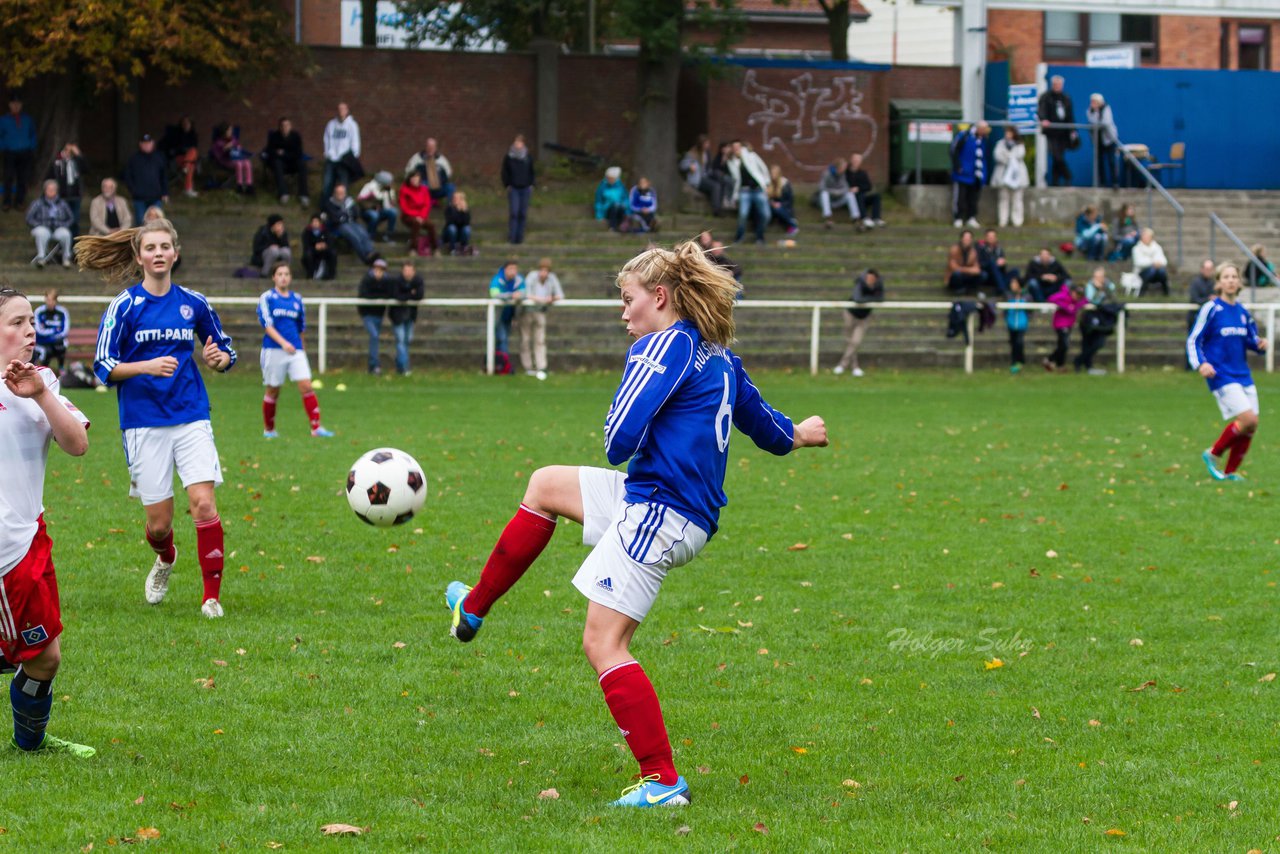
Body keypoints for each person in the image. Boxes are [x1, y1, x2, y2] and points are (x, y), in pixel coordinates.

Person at [442, 241, 829, 808]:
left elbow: (618, 441)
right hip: (663, 500)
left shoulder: (664, 344)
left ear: (661, 297)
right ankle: (472, 608)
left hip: (660, 511)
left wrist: (638, 379)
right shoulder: (718, 355)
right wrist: (801, 432)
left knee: (604, 641)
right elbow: (768, 431)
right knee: (545, 485)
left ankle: (663, 781)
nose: (623, 314)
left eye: (628, 301)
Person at [80, 218, 236, 619]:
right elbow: (101, 364)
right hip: (143, 421)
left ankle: (210, 597)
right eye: (150, 248)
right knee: (160, 525)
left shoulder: (195, 303)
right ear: (139, 257)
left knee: (203, 503)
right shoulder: (125, 306)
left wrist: (220, 360)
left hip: (190, 416)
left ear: (175, 253)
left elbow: (222, 349)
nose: (158, 253)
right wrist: (145, 366)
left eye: (165, 246)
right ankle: (165, 558)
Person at [0, 285, 94, 757]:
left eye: (31, 320)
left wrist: (38, 394)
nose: (29, 329)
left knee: (44, 658)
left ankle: (30, 744)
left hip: (28, 542)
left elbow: (77, 444)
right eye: (16, 321)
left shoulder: (44, 381)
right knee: (41, 655)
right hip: (3, 553)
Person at [1190, 262, 1266, 481]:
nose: (1231, 280)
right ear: (1218, 282)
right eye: (1226, 277)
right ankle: (1213, 454)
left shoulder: (1243, 312)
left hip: (1243, 373)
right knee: (1248, 419)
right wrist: (1201, 363)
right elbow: (1194, 339)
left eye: (1234, 276)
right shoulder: (1211, 309)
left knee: (1251, 426)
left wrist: (1260, 344)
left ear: (1240, 282)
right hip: (1220, 374)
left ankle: (1230, 473)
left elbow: (1251, 340)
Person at [257, 262, 333, 439]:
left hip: (296, 350)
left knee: (306, 386)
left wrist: (302, 347)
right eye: (280, 274)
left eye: (286, 274)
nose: (283, 277)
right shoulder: (267, 298)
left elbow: (301, 327)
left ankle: (316, 428)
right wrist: (283, 343)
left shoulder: (297, 299)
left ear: (290, 278)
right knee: (273, 389)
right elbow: (267, 325)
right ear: (274, 277)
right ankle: (269, 430)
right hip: (274, 349)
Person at [833, 268, 884, 377]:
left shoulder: (878, 286)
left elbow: (881, 298)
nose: (870, 280)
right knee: (850, 341)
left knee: (855, 342)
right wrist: (872, 298)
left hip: (864, 317)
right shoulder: (860, 283)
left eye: (872, 278)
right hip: (850, 314)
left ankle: (842, 365)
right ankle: (854, 367)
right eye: (868, 277)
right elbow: (857, 299)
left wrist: (869, 299)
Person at [520, 257, 563, 380]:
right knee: (525, 339)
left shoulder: (552, 278)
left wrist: (551, 298)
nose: (544, 273)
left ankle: (541, 367)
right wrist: (540, 299)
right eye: (542, 270)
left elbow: (560, 294)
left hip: (540, 312)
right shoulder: (531, 277)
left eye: (546, 271)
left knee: (540, 340)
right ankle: (528, 367)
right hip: (527, 311)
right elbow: (526, 294)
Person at [321, 183, 376, 264]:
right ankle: (365, 257)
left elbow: (356, 213)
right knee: (354, 236)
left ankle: (370, 252)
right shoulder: (330, 203)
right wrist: (346, 214)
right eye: (338, 193)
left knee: (363, 233)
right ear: (335, 193)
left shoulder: (349, 201)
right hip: (338, 226)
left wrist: (343, 214)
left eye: (342, 193)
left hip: (351, 223)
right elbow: (335, 218)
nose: (341, 195)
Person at [728, 140, 770, 245]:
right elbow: (735, 178)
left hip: (758, 189)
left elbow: (763, 168)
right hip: (744, 191)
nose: (737, 149)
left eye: (738, 147)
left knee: (766, 214)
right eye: (734, 147)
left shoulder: (751, 155)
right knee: (743, 214)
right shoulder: (732, 161)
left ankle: (759, 236)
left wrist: (767, 183)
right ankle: (739, 237)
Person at [949, 121, 989, 229]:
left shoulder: (983, 139)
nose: (984, 132)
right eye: (983, 129)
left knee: (973, 197)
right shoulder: (964, 135)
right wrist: (958, 166)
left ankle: (971, 217)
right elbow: (953, 149)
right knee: (960, 196)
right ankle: (958, 217)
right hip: (963, 173)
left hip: (977, 173)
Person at [0, 95, 37, 212]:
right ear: (10, 105)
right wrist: (4, 147)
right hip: (10, 153)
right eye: (13, 104)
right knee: (8, 177)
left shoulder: (27, 119)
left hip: (25, 153)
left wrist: (31, 146)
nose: (16, 106)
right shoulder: (4, 120)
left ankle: (19, 201)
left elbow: (32, 134)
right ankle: (7, 202)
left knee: (23, 178)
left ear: (21, 105)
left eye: (18, 104)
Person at [26, 180, 74, 268]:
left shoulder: (63, 204)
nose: (51, 191)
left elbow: (70, 218)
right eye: (49, 189)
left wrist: (65, 225)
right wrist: (37, 224)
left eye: (53, 189)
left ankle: (66, 258)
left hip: (58, 228)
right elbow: (29, 218)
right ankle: (41, 258)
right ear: (45, 190)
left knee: (66, 233)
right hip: (42, 227)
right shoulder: (37, 203)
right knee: (41, 232)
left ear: (57, 191)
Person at [123, 134, 168, 226]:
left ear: (152, 143)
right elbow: (127, 176)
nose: (147, 145)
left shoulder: (159, 158)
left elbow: (164, 176)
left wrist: (165, 192)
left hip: (156, 197)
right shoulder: (134, 159)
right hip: (139, 198)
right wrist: (133, 190)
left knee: (157, 223)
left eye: (149, 143)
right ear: (140, 144)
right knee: (140, 223)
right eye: (144, 143)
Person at [1038, 75, 1075, 186]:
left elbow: (1070, 115)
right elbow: (1041, 110)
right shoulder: (1046, 97)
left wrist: (1072, 130)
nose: (1057, 86)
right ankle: (1068, 175)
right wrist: (1043, 120)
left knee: (1059, 157)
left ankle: (1055, 181)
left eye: (1059, 84)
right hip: (1051, 132)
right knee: (1055, 156)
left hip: (1063, 132)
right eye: (1055, 84)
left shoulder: (1066, 98)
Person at [263, 117, 309, 205]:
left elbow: (298, 153)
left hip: (293, 163)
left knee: (302, 164)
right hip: (280, 164)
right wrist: (279, 153)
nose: (285, 127)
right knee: (277, 163)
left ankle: (303, 194)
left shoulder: (296, 136)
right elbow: (269, 150)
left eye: (287, 125)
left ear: (290, 126)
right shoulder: (274, 136)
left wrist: (284, 154)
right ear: (279, 127)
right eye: (283, 126)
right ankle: (283, 194)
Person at [357, 258, 391, 375]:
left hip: (379, 314)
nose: (378, 272)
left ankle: (372, 366)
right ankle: (375, 365)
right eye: (376, 269)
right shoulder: (367, 280)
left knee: (374, 338)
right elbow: (364, 294)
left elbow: (388, 294)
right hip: (367, 314)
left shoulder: (387, 281)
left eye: (381, 270)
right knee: (374, 336)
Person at [390, 260, 425, 376]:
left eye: (410, 270)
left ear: (414, 271)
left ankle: (400, 366)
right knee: (401, 341)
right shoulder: (397, 281)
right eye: (406, 270)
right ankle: (405, 367)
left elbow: (419, 295)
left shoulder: (418, 280)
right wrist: (411, 293)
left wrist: (407, 294)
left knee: (407, 340)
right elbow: (397, 296)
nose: (408, 273)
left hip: (410, 316)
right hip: (397, 316)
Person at [45, 143, 86, 239]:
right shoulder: (57, 163)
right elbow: (50, 178)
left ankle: (74, 244)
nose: (68, 152)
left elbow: (86, 168)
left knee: (75, 220)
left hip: (75, 196)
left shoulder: (77, 161)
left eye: (70, 151)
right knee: (63, 221)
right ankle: (62, 245)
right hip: (62, 197)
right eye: (66, 150)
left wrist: (78, 154)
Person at [322, 102, 361, 201]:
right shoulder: (331, 124)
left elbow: (355, 142)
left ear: (347, 111)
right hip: (331, 159)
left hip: (344, 160)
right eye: (339, 109)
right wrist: (327, 153)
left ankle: (343, 208)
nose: (341, 112)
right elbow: (326, 139)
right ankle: (325, 206)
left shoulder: (352, 125)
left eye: (343, 109)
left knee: (343, 185)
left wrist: (353, 157)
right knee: (327, 183)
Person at [1045, 281, 1087, 371]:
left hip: (1069, 324)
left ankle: (1056, 363)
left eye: (1080, 295)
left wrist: (1074, 307)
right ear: (1072, 291)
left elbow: (1085, 301)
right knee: (1064, 344)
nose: (1077, 296)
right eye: (1076, 293)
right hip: (1060, 323)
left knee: (1062, 345)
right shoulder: (1063, 295)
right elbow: (1051, 298)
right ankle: (1053, 361)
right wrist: (1066, 306)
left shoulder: (1077, 301)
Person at [680, 135, 727, 215]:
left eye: (708, 143)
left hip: (706, 176)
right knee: (716, 186)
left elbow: (709, 168)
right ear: (700, 144)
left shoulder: (707, 153)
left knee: (721, 179)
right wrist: (689, 166)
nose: (707, 145)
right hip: (697, 179)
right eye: (706, 144)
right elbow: (682, 165)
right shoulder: (692, 154)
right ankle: (716, 210)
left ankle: (721, 205)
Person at [502, 134, 535, 245]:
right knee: (514, 212)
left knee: (522, 213)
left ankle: (520, 237)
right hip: (514, 188)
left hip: (525, 188)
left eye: (520, 142)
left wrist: (531, 184)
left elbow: (532, 171)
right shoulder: (509, 157)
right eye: (516, 142)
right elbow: (505, 172)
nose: (518, 144)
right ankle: (512, 237)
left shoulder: (528, 157)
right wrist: (507, 184)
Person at [992, 126, 1028, 228]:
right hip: (1003, 175)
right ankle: (1003, 221)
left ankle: (1017, 221)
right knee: (1003, 199)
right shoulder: (1000, 143)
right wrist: (1009, 158)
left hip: (1017, 176)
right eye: (1006, 133)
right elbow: (997, 156)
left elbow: (1020, 155)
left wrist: (1008, 156)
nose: (1007, 135)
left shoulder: (1020, 145)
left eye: (1010, 133)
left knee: (1017, 199)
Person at [489, 261, 525, 361]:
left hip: (510, 315)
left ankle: (498, 362)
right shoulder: (497, 279)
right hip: (499, 315)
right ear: (505, 269)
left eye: (515, 269)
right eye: (510, 269)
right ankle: (504, 364)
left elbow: (524, 292)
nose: (513, 271)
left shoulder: (519, 279)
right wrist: (511, 295)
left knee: (503, 339)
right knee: (502, 338)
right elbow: (494, 294)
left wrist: (519, 295)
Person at [159, 116, 200, 198]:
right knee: (191, 165)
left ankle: (186, 166)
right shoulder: (176, 135)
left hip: (189, 158)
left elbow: (194, 147)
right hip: (179, 158)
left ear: (191, 124)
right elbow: (173, 149)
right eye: (184, 123)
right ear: (181, 125)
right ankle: (188, 190)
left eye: (188, 123)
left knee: (193, 152)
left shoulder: (193, 135)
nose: (186, 125)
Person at [403, 137, 453, 204]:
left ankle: (451, 206)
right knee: (423, 185)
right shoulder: (417, 158)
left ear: (436, 148)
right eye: (429, 147)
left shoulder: (441, 159)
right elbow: (408, 172)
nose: (431, 149)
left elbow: (449, 173)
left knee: (451, 187)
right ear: (426, 147)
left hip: (439, 187)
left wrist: (441, 181)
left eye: (433, 147)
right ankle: (423, 203)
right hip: (423, 186)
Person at [398, 171, 435, 256]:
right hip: (408, 216)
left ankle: (435, 247)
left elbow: (427, 204)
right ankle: (413, 248)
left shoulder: (424, 189)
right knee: (416, 223)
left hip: (422, 216)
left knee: (431, 225)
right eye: (413, 178)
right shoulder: (404, 189)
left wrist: (421, 216)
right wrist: (416, 216)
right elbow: (404, 207)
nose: (415, 180)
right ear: (409, 179)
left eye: (416, 178)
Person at [1086, 93, 1119, 189]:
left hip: (1109, 139)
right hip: (1098, 140)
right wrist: (1095, 112)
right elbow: (1090, 120)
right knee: (1099, 162)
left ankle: (1115, 182)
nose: (1093, 103)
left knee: (1111, 161)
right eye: (1092, 102)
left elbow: (1106, 122)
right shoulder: (1090, 111)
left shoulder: (1106, 108)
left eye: (1095, 102)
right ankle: (1102, 182)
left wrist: (1097, 122)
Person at [33, 289, 70, 373]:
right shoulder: (39, 312)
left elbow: (64, 331)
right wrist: (54, 330)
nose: (50, 302)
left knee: (61, 346)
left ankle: (61, 370)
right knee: (47, 351)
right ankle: (43, 371)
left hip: (57, 342)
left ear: (56, 301)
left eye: (53, 300)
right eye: (48, 300)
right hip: (42, 343)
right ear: (45, 299)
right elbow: (39, 331)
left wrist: (52, 334)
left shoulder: (62, 312)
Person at [210, 123, 254, 194]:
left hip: (236, 158)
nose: (231, 132)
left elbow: (239, 147)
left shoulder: (233, 139)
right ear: (224, 132)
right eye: (229, 130)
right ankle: (239, 186)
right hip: (225, 160)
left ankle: (249, 185)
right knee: (239, 164)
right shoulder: (218, 143)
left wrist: (238, 147)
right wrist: (225, 149)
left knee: (247, 162)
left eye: (231, 130)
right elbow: (217, 155)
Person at [816, 158, 859, 229]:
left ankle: (855, 218)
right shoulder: (827, 174)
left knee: (850, 195)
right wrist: (834, 192)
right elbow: (821, 188)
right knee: (824, 194)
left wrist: (839, 192)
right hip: (828, 200)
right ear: (838, 167)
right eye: (844, 167)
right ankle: (828, 218)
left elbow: (846, 188)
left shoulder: (843, 175)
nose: (845, 169)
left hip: (839, 199)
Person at [844, 153, 884, 228]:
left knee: (876, 197)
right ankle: (864, 217)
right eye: (855, 160)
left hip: (861, 197)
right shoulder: (845, 173)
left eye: (858, 160)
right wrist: (849, 189)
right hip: (850, 198)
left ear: (861, 162)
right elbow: (841, 184)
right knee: (859, 195)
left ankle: (876, 218)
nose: (856, 162)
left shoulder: (863, 173)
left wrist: (858, 188)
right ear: (851, 160)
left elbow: (868, 186)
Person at [357, 171, 398, 243]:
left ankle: (388, 235)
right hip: (367, 211)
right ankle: (370, 236)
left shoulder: (388, 189)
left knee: (393, 212)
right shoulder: (369, 187)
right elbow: (360, 200)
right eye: (390, 182)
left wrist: (389, 194)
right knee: (374, 215)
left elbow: (390, 205)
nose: (391, 183)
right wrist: (372, 206)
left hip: (381, 211)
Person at [978, 229, 1017, 296]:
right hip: (987, 275)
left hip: (998, 274)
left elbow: (1003, 269)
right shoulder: (980, 248)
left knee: (1015, 271)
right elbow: (980, 264)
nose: (991, 238)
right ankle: (1002, 289)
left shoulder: (999, 250)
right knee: (992, 263)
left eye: (993, 237)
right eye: (989, 237)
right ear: (985, 238)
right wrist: (993, 264)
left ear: (996, 238)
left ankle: (1001, 287)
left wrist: (1003, 263)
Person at [1132, 228, 1169, 296]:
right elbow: (1138, 262)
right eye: (1144, 236)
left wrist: (1158, 264)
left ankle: (1166, 293)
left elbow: (1164, 261)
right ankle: (1142, 293)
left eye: (1148, 237)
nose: (1146, 238)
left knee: (1161, 271)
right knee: (1152, 270)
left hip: (1157, 272)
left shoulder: (1157, 247)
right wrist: (1152, 263)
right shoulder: (1136, 248)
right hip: (1142, 272)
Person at [1004, 275, 1030, 373]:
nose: (1012, 285)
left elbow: (1030, 311)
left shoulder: (1026, 296)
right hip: (1011, 323)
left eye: (1014, 283)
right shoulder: (1008, 295)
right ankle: (1014, 362)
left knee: (1019, 342)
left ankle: (1020, 361)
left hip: (1022, 324)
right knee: (1013, 343)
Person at [945, 230, 983, 294]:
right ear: (961, 239)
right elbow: (953, 267)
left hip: (966, 275)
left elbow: (977, 269)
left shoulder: (973, 251)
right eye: (965, 238)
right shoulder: (954, 250)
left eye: (969, 238)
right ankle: (958, 289)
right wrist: (969, 270)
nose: (967, 240)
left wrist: (964, 270)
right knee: (957, 274)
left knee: (983, 275)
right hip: (956, 276)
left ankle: (968, 289)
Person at [301, 214, 337, 281]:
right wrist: (314, 246)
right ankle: (310, 275)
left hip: (324, 251)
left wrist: (324, 245)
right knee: (308, 255)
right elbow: (306, 245)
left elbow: (330, 242)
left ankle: (331, 275)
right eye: (313, 222)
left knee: (332, 253)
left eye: (317, 221)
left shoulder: (325, 231)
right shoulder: (307, 232)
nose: (315, 223)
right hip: (312, 251)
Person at [767, 164, 799, 235]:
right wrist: (772, 202)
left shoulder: (785, 184)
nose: (772, 175)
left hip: (785, 207)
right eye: (771, 173)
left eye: (774, 173)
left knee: (778, 209)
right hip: (773, 207)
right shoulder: (770, 184)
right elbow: (768, 198)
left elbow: (789, 200)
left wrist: (780, 204)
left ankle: (792, 225)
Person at [594, 167, 628, 232]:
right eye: (609, 178)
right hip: (607, 210)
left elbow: (626, 199)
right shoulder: (602, 187)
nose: (610, 180)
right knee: (614, 207)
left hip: (620, 208)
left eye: (612, 178)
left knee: (619, 207)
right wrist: (599, 215)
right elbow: (599, 202)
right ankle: (613, 227)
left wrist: (627, 210)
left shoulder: (621, 187)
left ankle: (621, 227)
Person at [443, 191, 473, 256]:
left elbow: (466, 222)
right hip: (450, 233)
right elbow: (450, 221)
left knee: (467, 229)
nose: (455, 199)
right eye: (454, 198)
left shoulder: (465, 209)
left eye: (457, 198)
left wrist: (464, 211)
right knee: (452, 228)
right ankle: (452, 248)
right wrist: (457, 211)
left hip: (460, 233)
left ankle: (464, 247)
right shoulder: (449, 208)